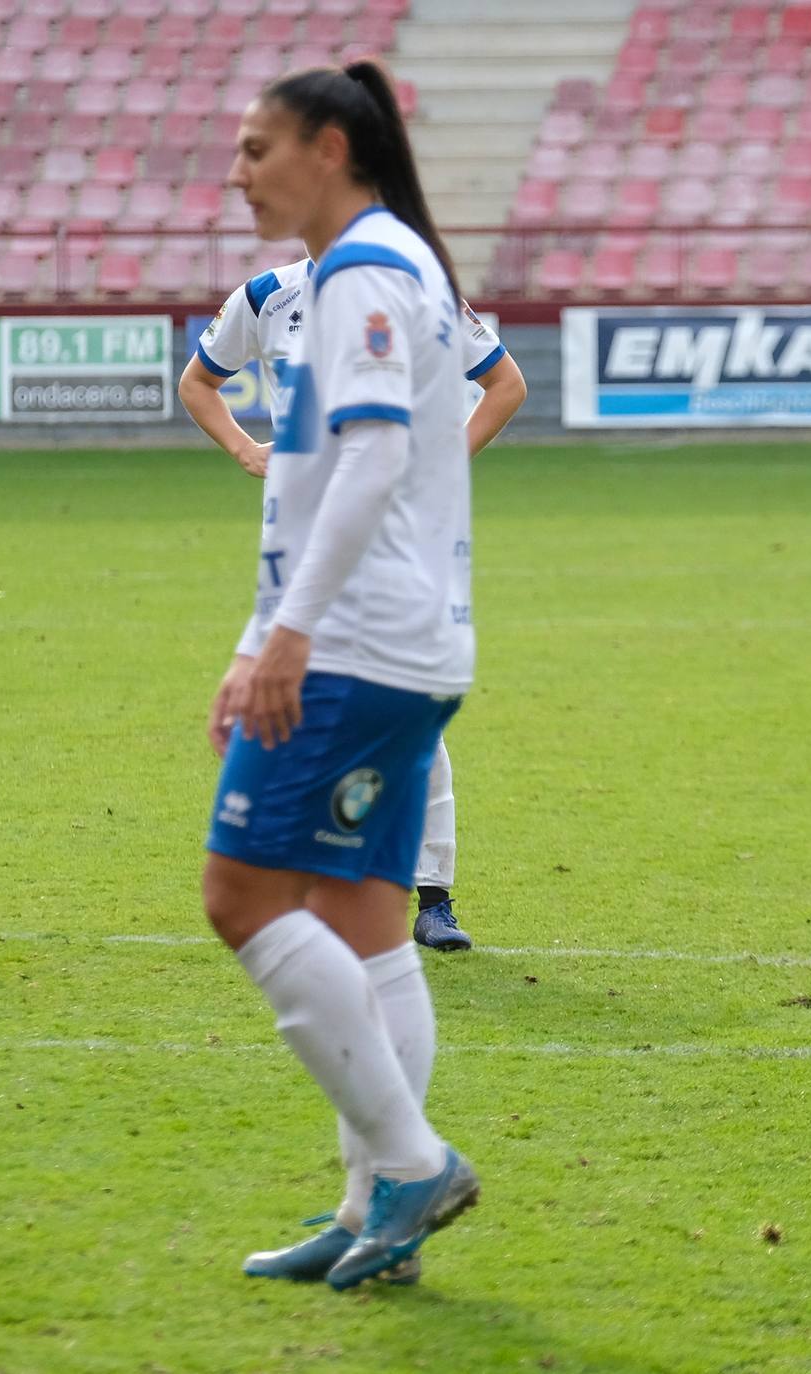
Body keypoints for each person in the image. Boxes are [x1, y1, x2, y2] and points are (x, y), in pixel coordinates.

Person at [203, 60, 482, 1289]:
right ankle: (378, 1212)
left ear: (328, 145)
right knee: (366, 930)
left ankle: (412, 1164)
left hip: (360, 646)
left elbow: (368, 462)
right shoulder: (368, 268)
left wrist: (291, 635)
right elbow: (321, 478)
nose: (239, 172)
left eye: (257, 148)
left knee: (242, 898)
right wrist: (251, 633)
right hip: (400, 643)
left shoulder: (369, 269)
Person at [180, 251, 526, 954]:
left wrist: (440, 468)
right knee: (295, 697)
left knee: (409, 706)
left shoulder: (418, 287)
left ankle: (432, 896)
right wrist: (246, 450)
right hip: (303, 537)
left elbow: (505, 384)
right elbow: (199, 383)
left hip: (399, 537)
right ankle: (313, 876)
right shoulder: (266, 296)